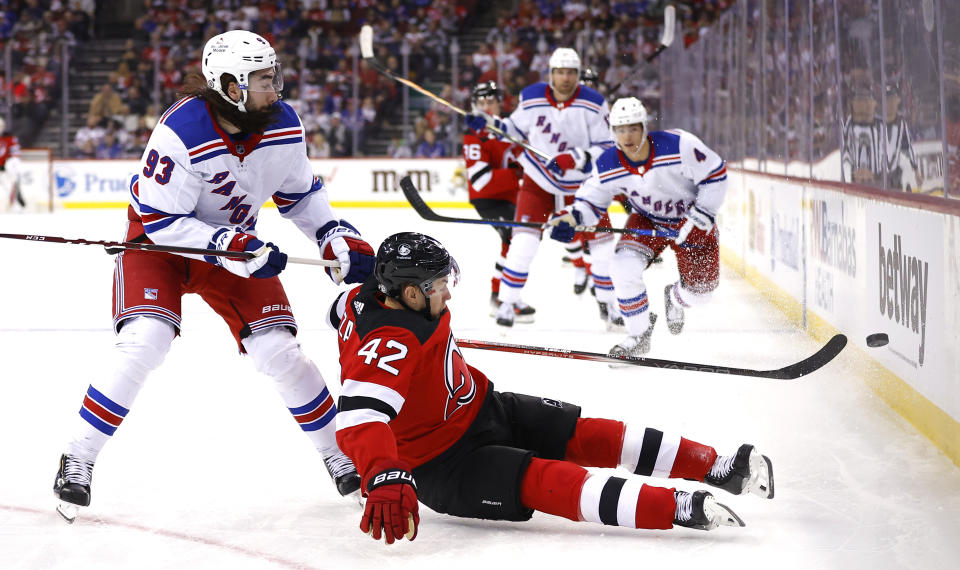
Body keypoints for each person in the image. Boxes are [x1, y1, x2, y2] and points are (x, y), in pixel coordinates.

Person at [52, 30, 375, 523]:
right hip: (161, 247)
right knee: (145, 341)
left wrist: (334, 236)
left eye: (274, 76)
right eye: (264, 80)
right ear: (229, 85)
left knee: (280, 352)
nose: (277, 88)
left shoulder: (284, 124)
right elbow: (161, 221)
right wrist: (229, 245)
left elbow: (300, 196)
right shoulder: (181, 130)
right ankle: (79, 456)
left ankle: (338, 454)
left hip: (236, 248)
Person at [327, 232, 773, 545]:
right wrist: (384, 474)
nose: (448, 293)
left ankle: (717, 467)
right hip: (444, 463)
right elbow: (359, 416)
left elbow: (341, 310)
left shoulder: (365, 296)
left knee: (585, 432)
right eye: (439, 285)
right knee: (549, 479)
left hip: (481, 408)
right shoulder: (391, 343)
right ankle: (674, 507)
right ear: (407, 294)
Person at [548, 97, 727, 357]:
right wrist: (570, 218)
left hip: (691, 220)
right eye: (621, 130)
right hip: (648, 220)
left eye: (633, 128)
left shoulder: (679, 145)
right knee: (622, 267)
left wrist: (702, 216)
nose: (627, 136)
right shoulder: (609, 162)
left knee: (701, 293)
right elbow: (590, 201)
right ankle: (638, 335)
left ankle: (675, 298)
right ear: (613, 132)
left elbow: (715, 174)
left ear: (644, 127)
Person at [466, 47, 618, 329]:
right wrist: (488, 124)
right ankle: (508, 304)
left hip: (582, 186)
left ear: (577, 74)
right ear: (551, 74)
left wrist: (575, 158)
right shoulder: (532, 96)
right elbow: (514, 128)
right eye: (560, 72)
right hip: (539, 179)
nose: (565, 78)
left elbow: (608, 147)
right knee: (522, 243)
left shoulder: (595, 102)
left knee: (602, 246)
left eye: (571, 72)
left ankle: (610, 306)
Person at [462, 80, 535, 320]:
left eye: (490, 101)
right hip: (489, 200)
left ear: (498, 103)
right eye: (481, 102)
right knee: (512, 238)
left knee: (517, 241)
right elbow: (481, 181)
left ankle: (504, 296)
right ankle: (501, 297)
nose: (485, 106)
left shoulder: (509, 129)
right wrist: (516, 173)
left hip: (511, 197)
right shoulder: (474, 136)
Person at [0, 117, 26, 211]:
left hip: (6, 168)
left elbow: (15, 154)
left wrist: (7, 164)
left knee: (12, 174)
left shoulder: (9, 137)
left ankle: (16, 201)